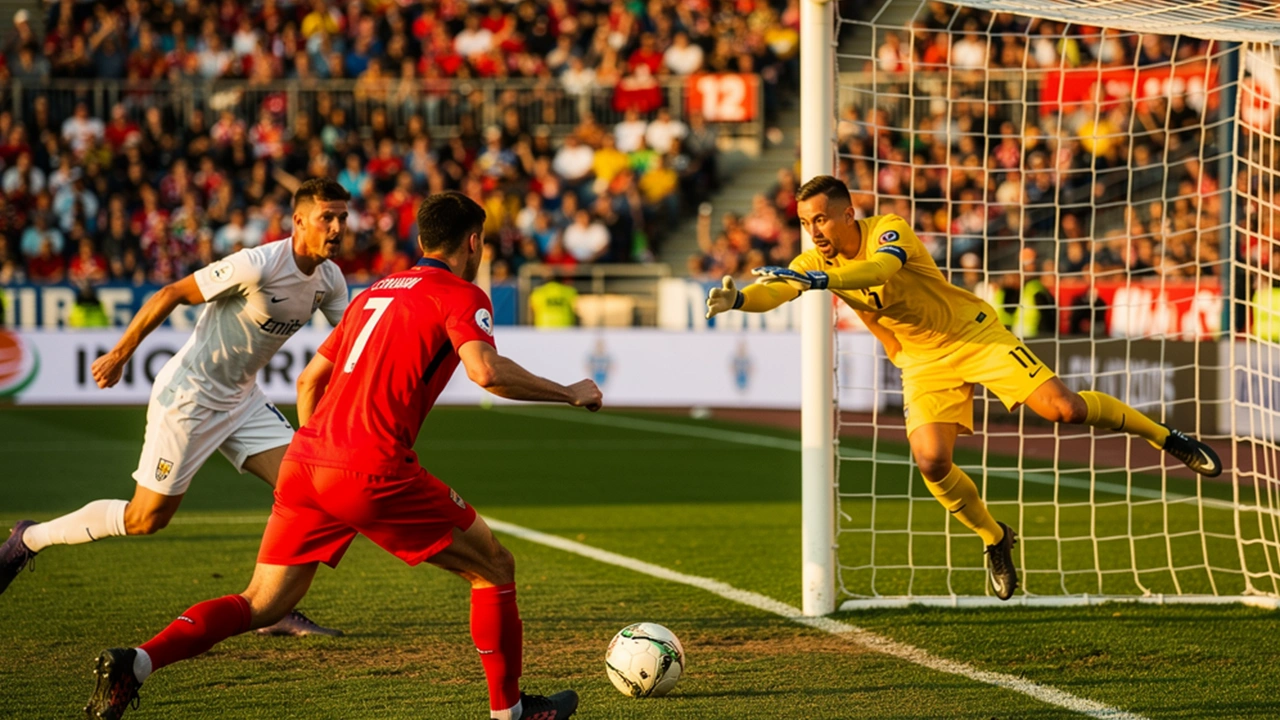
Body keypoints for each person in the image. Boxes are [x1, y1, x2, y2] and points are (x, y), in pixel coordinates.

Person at [83, 192, 600, 720]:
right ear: (473, 243)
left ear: (422, 240)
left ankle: (138, 662)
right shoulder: (462, 294)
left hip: (306, 462)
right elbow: (485, 370)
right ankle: (510, 713)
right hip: (371, 467)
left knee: (262, 602)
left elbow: (309, 380)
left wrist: (323, 455)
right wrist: (568, 391)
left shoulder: (374, 292)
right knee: (494, 566)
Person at [705, 175, 1222, 601]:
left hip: (973, 335)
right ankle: (995, 537)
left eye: (820, 219)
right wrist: (740, 300)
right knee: (931, 460)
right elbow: (778, 288)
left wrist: (825, 281)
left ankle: (1164, 437)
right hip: (922, 362)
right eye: (804, 222)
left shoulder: (888, 229)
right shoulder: (814, 263)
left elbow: (880, 268)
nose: (813, 231)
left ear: (847, 214)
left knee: (1063, 408)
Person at [1, 179, 353, 637]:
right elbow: (170, 293)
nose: (337, 227)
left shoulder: (330, 280)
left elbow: (352, 347)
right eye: (328, 217)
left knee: (308, 491)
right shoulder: (258, 264)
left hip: (244, 400)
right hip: (190, 396)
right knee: (145, 518)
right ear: (299, 221)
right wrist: (120, 354)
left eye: (343, 217)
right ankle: (29, 538)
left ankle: (270, 607)